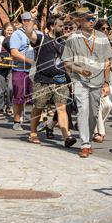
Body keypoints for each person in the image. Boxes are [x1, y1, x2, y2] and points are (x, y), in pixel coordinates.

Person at [62, 9, 112, 158]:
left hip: (98, 81)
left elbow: (107, 62)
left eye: (93, 19)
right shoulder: (72, 38)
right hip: (80, 81)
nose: (91, 22)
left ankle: (88, 139)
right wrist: (79, 70)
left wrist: (106, 82)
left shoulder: (102, 37)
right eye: (88, 19)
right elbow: (67, 62)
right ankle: (85, 144)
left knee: (93, 113)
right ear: (80, 21)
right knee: (82, 110)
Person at [28, 16, 77, 147]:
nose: (64, 28)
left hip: (60, 81)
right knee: (38, 107)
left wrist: (71, 79)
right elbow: (29, 32)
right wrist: (32, 18)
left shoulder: (64, 43)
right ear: (52, 27)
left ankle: (67, 136)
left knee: (62, 108)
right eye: (61, 26)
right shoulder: (42, 39)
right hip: (42, 80)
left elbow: (67, 63)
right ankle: (33, 133)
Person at [9, 11, 42, 131]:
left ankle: (38, 121)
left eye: (30, 20)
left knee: (37, 97)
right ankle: (17, 121)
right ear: (23, 21)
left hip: (36, 70)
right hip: (20, 69)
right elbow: (14, 52)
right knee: (19, 96)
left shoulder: (38, 34)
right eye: (26, 20)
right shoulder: (17, 34)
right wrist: (30, 61)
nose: (28, 22)